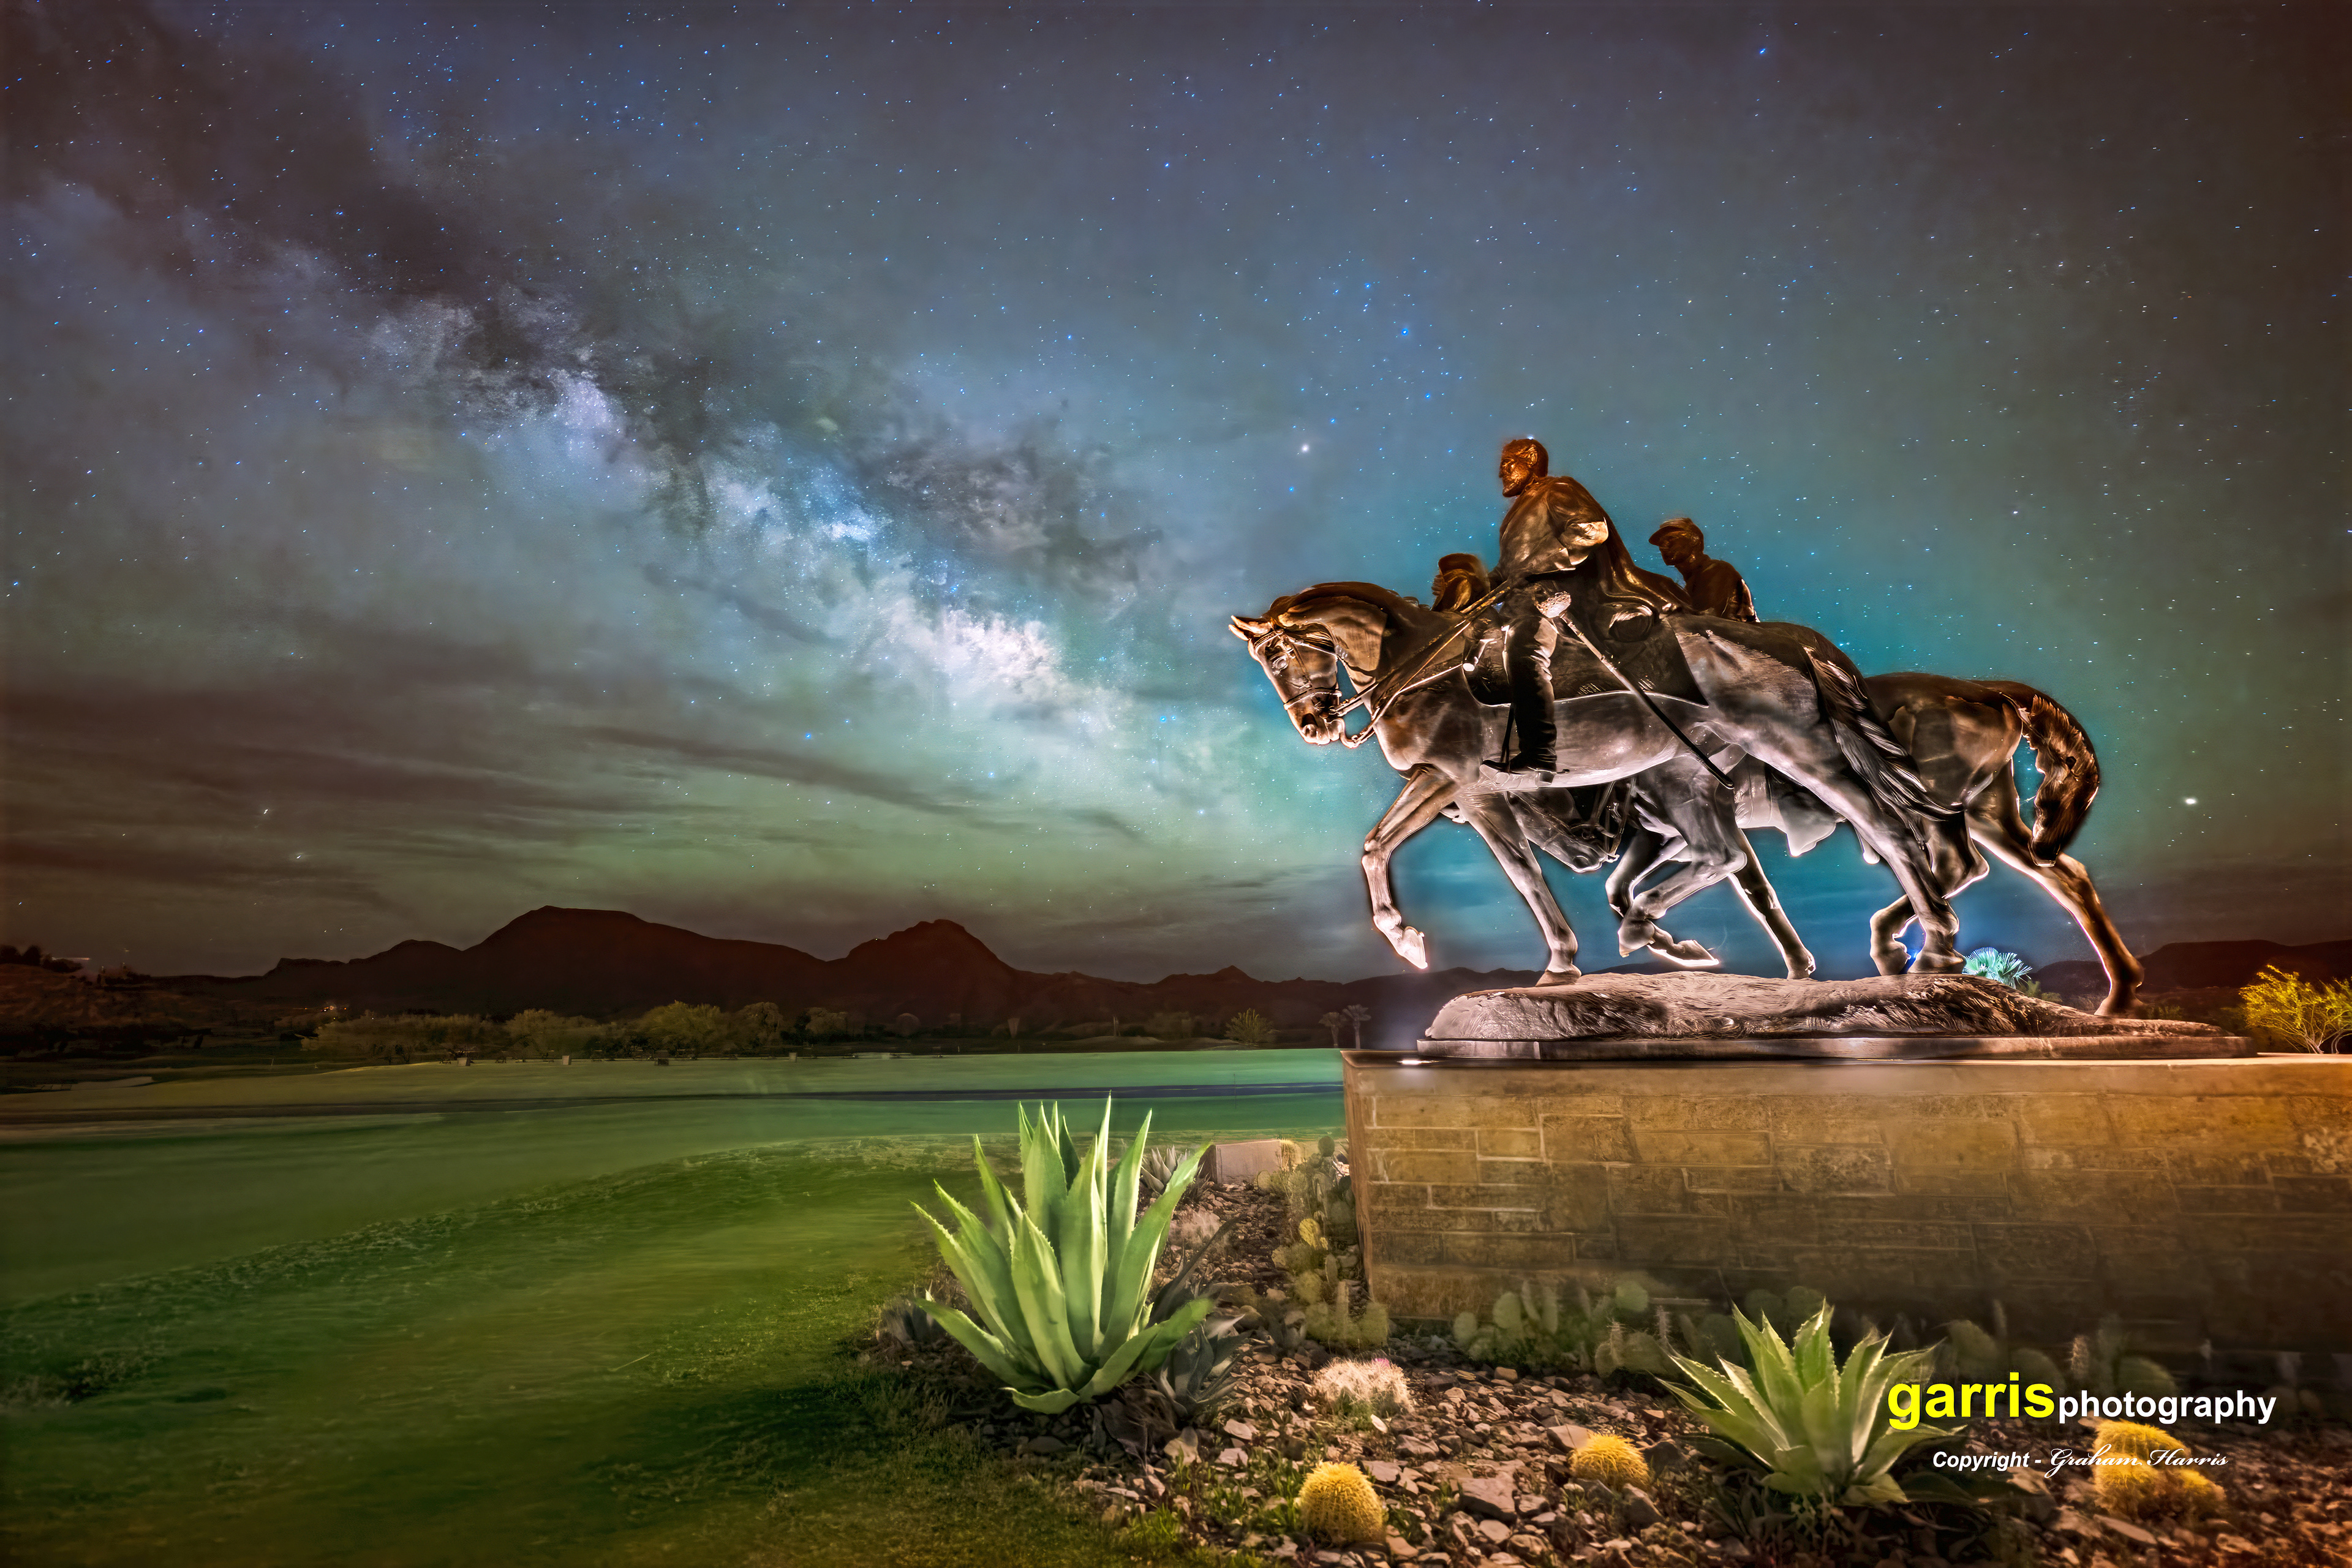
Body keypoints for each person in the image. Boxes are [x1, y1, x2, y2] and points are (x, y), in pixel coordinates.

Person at [1490, 439, 1685, 774]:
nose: (1501, 472)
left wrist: (1538, 562)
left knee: (1524, 647)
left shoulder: (1557, 490)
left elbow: (1591, 529)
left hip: (1554, 600)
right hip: (1518, 602)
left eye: (1508, 463)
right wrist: (1475, 586)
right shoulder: (1516, 513)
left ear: (1531, 459)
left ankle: (1539, 751)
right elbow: (1508, 570)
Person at [1649, 516, 1758, 622]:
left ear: (1694, 539)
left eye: (1671, 539)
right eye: (1661, 543)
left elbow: (1708, 622)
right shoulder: (1691, 586)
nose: (1663, 546)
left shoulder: (1718, 571)